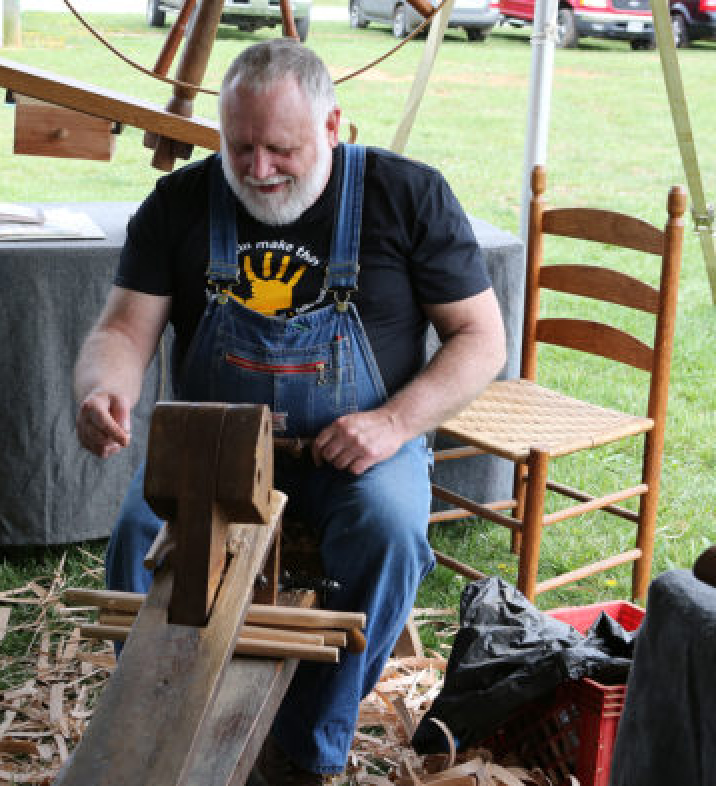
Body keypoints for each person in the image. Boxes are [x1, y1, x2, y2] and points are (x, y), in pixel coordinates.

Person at [73, 39, 506, 784]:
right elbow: (121, 330)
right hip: (216, 449)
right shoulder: (180, 202)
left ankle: (306, 745)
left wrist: (395, 423)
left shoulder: (406, 196)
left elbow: (482, 339)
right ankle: (165, 728)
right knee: (137, 540)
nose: (259, 169)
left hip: (365, 445)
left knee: (388, 530)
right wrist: (102, 389)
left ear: (336, 124)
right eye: (239, 146)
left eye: (282, 148)